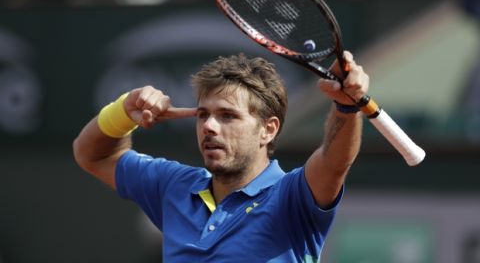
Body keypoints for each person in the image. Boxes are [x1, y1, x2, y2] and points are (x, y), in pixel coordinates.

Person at [73, 51, 369, 262]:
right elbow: (92, 154)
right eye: (203, 115)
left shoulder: (292, 197)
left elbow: (334, 162)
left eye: (227, 116)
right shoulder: (173, 186)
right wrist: (125, 110)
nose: (209, 127)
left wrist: (345, 108)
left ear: (268, 130)